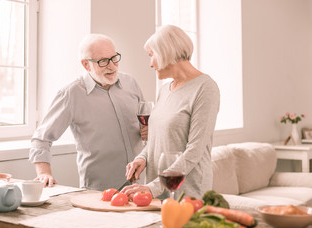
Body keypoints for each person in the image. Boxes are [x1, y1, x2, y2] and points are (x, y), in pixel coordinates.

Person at [29, 33, 146, 191]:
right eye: (103, 61)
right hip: (99, 189)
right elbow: (41, 138)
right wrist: (44, 173)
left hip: (140, 184)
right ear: (86, 65)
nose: (111, 66)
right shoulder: (71, 94)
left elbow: (146, 122)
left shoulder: (131, 83)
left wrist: (148, 130)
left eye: (114, 58)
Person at [121, 25, 220, 200]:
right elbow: (156, 139)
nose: (150, 64)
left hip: (188, 193)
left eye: (152, 55)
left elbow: (194, 151)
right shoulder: (165, 90)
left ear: (166, 52)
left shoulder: (205, 88)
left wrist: (153, 187)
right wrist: (142, 158)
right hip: (158, 192)